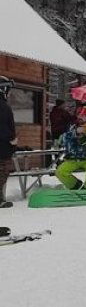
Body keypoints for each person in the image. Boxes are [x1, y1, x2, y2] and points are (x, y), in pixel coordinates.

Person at [54, 106, 86, 190]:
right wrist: (75, 133)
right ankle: (75, 186)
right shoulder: (73, 128)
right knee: (60, 172)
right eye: (79, 114)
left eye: (83, 115)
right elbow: (62, 141)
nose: (79, 117)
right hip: (73, 159)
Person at [0, 76, 16, 208]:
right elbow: (4, 128)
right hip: (3, 148)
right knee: (2, 172)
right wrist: (12, 139)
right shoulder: (3, 107)